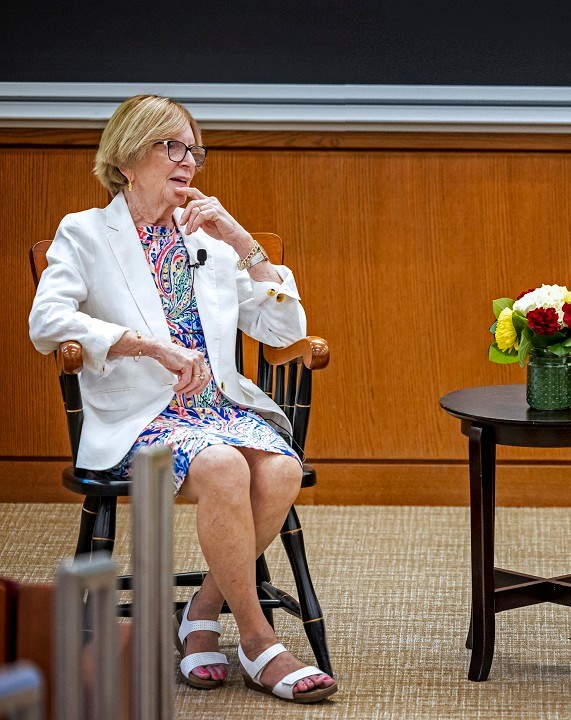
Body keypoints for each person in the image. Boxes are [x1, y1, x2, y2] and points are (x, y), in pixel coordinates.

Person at [29, 95, 337, 703]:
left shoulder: (209, 243)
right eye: (170, 146)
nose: (187, 161)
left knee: (281, 470)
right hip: (138, 419)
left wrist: (242, 240)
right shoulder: (85, 232)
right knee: (222, 466)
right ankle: (256, 640)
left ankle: (200, 612)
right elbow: (48, 322)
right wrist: (147, 347)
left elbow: (282, 331)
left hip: (217, 410)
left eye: (192, 148)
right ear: (127, 157)